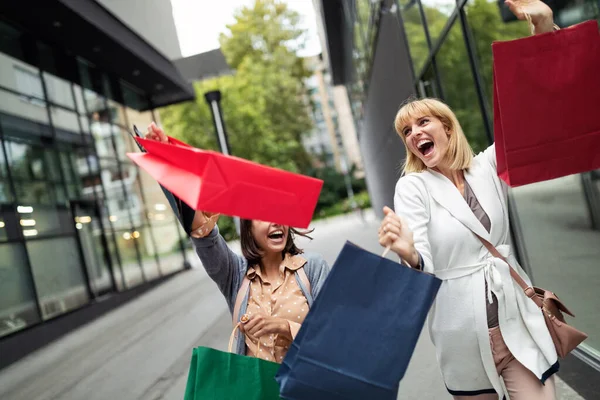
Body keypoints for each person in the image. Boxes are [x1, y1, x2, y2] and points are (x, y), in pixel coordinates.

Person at [377, 2, 560, 398]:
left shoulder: (486, 165)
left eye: (422, 122)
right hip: (463, 335)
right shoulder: (413, 187)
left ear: (446, 126)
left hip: (517, 320)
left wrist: (543, 29)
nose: (414, 133)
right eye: (406, 130)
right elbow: (420, 255)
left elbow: (527, 109)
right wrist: (409, 253)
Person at [144, 123, 330, 363]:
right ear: (248, 227)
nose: (276, 222)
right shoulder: (234, 274)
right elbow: (201, 231)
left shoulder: (312, 267)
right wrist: (168, 155)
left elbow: (331, 334)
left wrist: (283, 326)